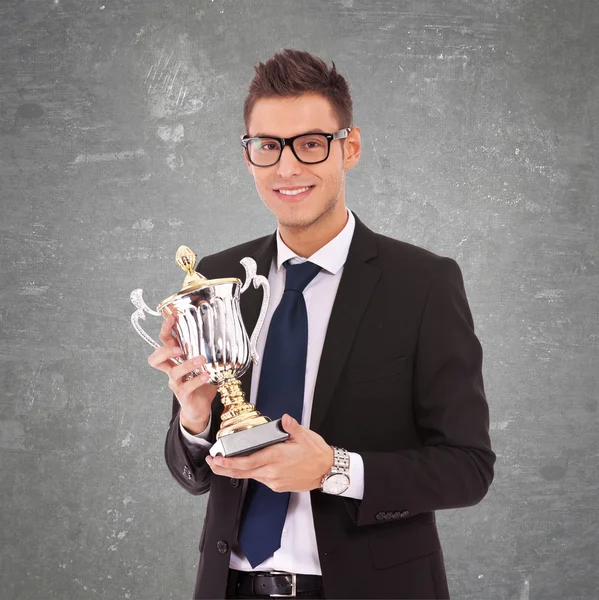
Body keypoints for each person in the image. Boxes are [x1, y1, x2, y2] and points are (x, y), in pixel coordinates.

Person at [148, 49, 495, 600]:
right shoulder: (216, 281)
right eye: (268, 146)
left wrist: (335, 469)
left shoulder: (423, 284)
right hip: (229, 587)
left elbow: (468, 468)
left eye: (310, 144)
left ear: (348, 147)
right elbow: (193, 476)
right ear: (249, 156)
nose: (287, 168)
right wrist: (193, 419)